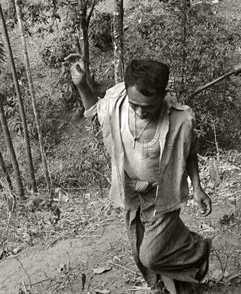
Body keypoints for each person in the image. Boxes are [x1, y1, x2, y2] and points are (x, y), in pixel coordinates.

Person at [65, 56, 212, 294]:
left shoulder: (180, 119)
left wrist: (197, 187)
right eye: (135, 105)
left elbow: (190, 151)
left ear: (163, 95)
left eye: (148, 106)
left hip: (162, 193)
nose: (141, 112)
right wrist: (82, 84)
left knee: (151, 255)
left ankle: (197, 250)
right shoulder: (117, 102)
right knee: (137, 249)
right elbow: (93, 110)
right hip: (131, 190)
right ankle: (167, 288)